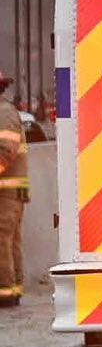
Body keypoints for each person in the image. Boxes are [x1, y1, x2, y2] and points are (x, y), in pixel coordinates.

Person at [0, 70, 30, 309]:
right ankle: (13, 290)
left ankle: (6, 294)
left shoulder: (4, 113)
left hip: (7, 192)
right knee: (10, 241)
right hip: (9, 191)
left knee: (2, 240)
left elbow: (5, 151)